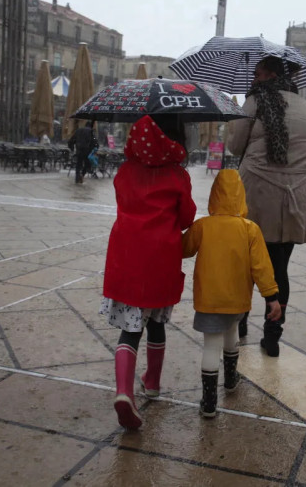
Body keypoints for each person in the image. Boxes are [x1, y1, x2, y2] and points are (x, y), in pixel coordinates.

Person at [99, 114, 196, 430]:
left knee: (130, 329)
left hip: (127, 258)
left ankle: (125, 392)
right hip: (160, 262)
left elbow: (122, 202)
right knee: (156, 323)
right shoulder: (177, 175)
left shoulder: (126, 171)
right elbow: (185, 219)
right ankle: (152, 382)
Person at [227, 56, 306, 357]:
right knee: (279, 268)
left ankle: (239, 323)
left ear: (270, 74)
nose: (253, 78)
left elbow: (234, 146)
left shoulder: (254, 103)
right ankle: (273, 337)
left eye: (258, 72)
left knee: (244, 264)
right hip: (294, 200)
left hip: (256, 195)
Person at [182, 169, 281, 418]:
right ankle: (230, 379)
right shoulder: (250, 229)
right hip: (237, 300)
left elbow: (182, 250)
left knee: (210, 346)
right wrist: (271, 297)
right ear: (241, 197)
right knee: (232, 332)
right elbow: (261, 267)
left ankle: (209, 402)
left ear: (214, 195)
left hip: (208, 300)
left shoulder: (202, 226)